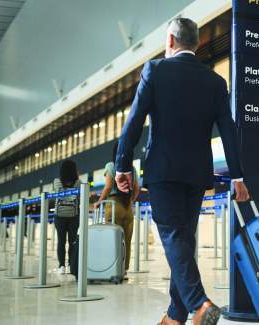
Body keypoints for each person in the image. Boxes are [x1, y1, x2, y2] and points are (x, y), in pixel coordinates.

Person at [114, 18, 249, 325]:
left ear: (171, 42)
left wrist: (123, 165)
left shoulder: (156, 71)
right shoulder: (214, 82)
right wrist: (238, 176)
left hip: (163, 171)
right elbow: (229, 131)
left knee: (174, 236)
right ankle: (176, 315)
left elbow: (133, 122)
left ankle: (199, 304)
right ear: (198, 43)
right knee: (183, 240)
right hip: (197, 174)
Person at [94, 142, 140, 273]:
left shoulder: (111, 166)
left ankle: (113, 268)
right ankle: (124, 269)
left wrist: (99, 201)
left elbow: (108, 186)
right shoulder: (132, 169)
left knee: (112, 240)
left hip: (114, 205)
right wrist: (131, 200)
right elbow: (136, 188)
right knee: (127, 240)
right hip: (128, 208)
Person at [53, 160, 81, 274]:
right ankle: (70, 264)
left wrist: (67, 194)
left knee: (61, 241)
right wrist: (72, 194)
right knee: (72, 241)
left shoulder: (57, 181)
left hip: (59, 216)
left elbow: (61, 194)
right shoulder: (78, 182)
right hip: (73, 215)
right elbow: (74, 195)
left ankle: (61, 266)